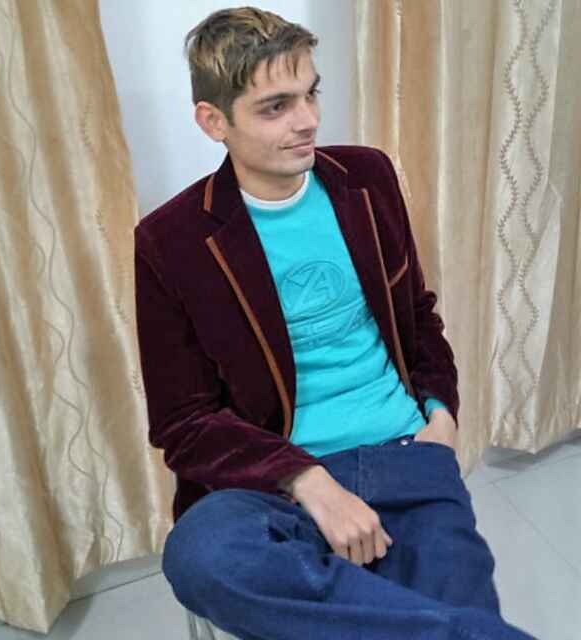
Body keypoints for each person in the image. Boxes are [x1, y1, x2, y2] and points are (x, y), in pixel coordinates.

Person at [134, 6, 537, 640]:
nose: (308, 121)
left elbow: (417, 315)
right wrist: (306, 479)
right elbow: (182, 422)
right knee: (202, 557)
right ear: (214, 121)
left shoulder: (367, 179)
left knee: (447, 605)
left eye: (311, 94)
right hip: (267, 480)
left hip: (403, 450)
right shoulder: (171, 240)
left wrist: (440, 417)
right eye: (276, 107)